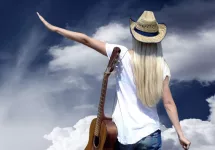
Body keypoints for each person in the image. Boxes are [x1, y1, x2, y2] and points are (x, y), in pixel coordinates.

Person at [37, 10, 191, 150]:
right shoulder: (162, 66)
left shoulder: (122, 54)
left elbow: (86, 40)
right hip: (150, 134)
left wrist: (55, 28)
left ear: (135, 36)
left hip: (123, 134)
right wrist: (180, 134)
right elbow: (169, 103)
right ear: (156, 40)